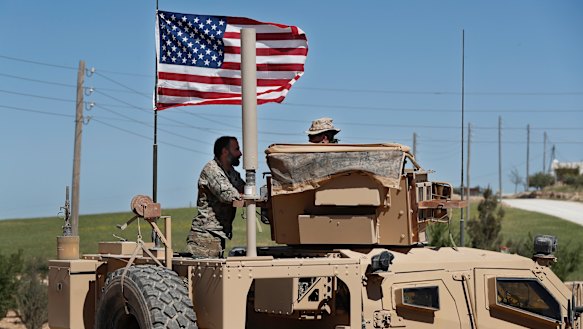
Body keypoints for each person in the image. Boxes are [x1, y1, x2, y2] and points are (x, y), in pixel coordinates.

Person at [187, 136, 245, 258]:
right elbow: (228, 195)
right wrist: (244, 196)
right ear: (225, 151)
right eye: (236, 149)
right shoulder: (212, 170)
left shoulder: (231, 172)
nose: (240, 153)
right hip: (205, 236)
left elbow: (244, 190)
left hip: (217, 235)